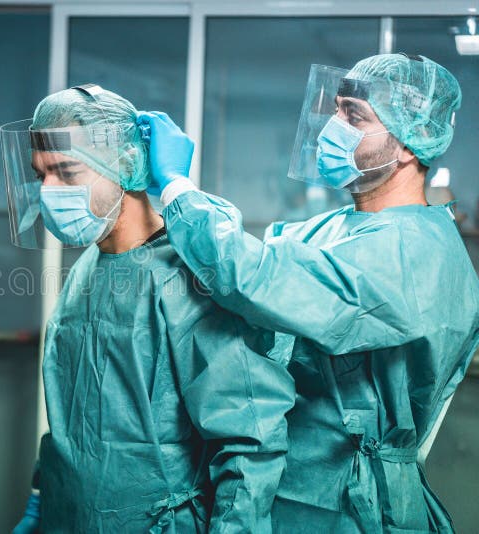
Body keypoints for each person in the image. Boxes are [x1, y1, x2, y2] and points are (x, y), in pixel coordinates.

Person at [138, 53, 479, 532]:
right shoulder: (334, 228)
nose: (331, 126)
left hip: (352, 503)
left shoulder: (416, 252)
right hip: (288, 486)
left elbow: (255, 278)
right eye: (337, 108)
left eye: (354, 116)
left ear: (406, 143)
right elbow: (253, 273)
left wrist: (176, 189)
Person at [1, 85, 295, 532]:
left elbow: (248, 442)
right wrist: (44, 497)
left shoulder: (187, 277)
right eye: (41, 175)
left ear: (125, 165)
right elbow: (71, 412)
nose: (48, 192)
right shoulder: (87, 269)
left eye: (65, 171)